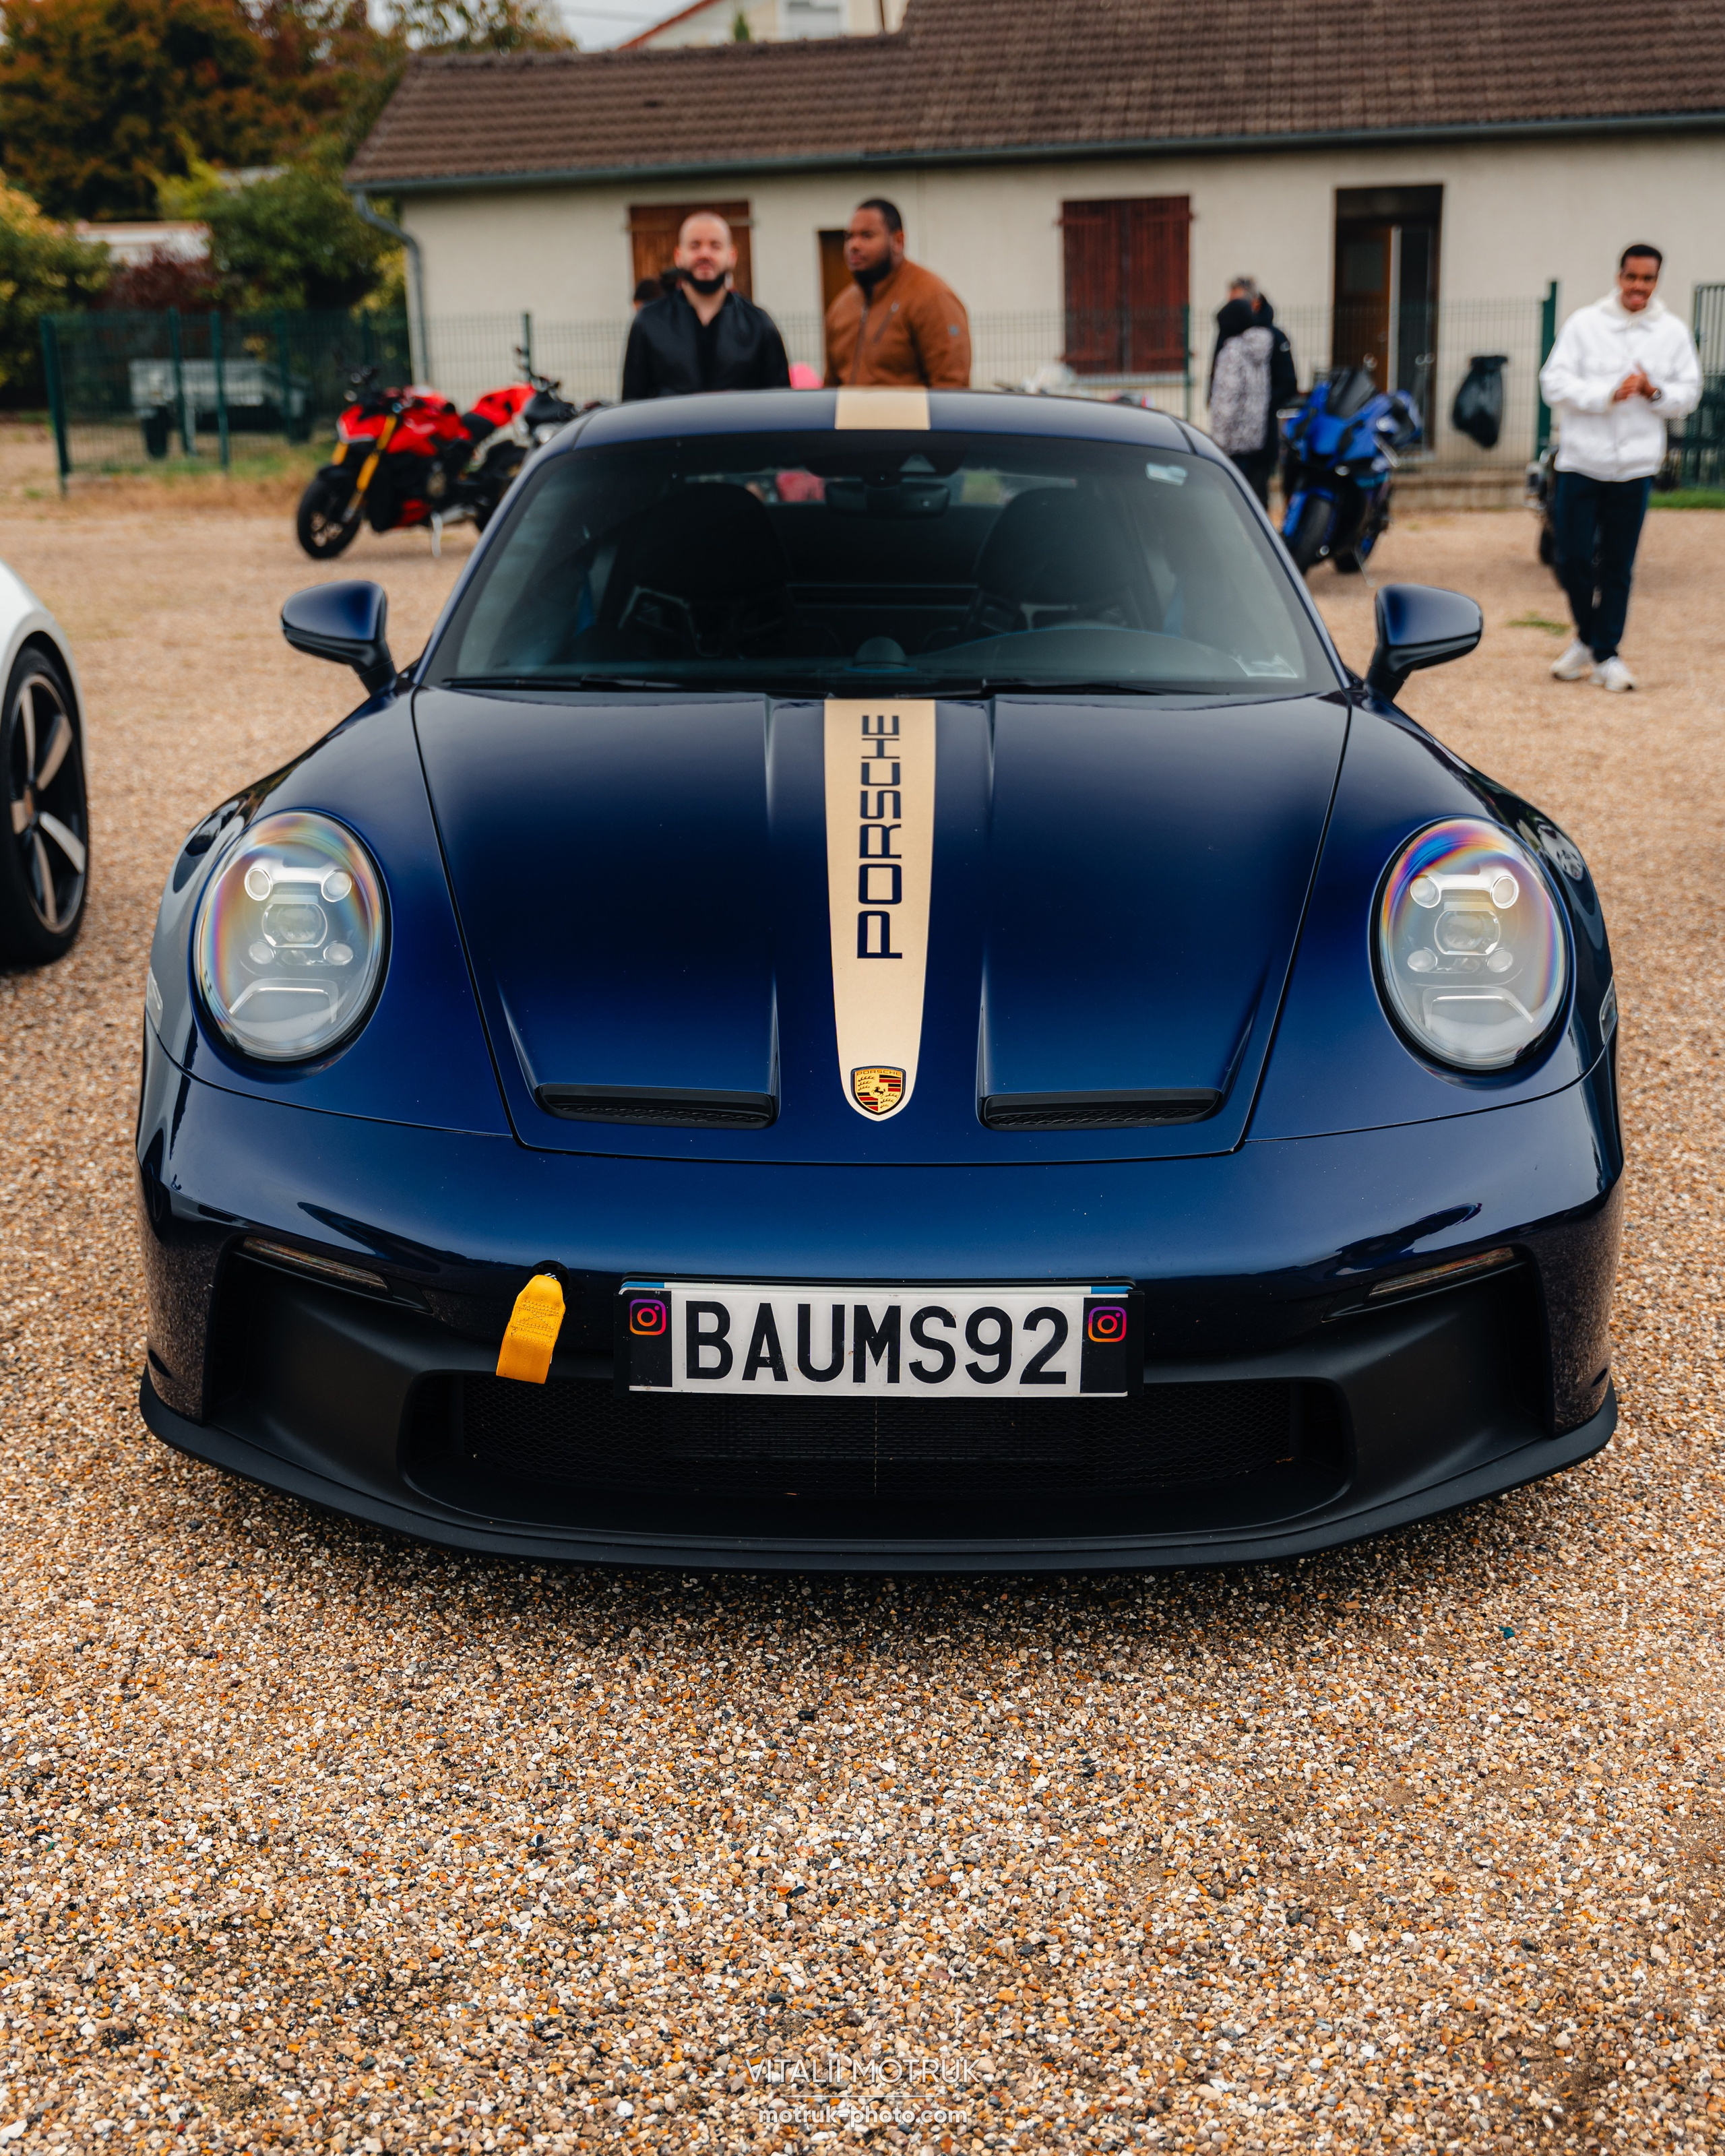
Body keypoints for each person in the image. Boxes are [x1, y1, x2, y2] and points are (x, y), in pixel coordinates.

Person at [1538, 243, 1701, 691]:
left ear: (1656, 282)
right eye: (1632, 278)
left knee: (1618, 565)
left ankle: (1605, 653)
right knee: (1570, 559)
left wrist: (1654, 392)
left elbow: (1688, 395)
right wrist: (1606, 393)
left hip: (1634, 468)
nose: (1639, 287)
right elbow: (1552, 383)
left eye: (1648, 280)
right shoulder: (1584, 324)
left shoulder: (1672, 332)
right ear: (1619, 277)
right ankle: (1590, 639)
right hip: (1581, 463)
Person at [621, 212, 791, 402]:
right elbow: (631, 404)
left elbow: (780, 405)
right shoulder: (649, 322)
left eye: (715, 246)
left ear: (732, 256)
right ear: (679, 256)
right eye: (695, 246)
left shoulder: (760, 324)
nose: (704, 254)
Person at [823, 199, 971, 390]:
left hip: (912, 421)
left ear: (898, 241)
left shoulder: (932, 297)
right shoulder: (841, 307)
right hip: (849, 421)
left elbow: (951, 387)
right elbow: (831, 388)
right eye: (849, 236)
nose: (854, 245)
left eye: (867, 236)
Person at [1208, 277, 1298, 506]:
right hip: (1249, 436)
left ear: (1254, 304)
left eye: (1236, 302)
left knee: (1250, 497)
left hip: (1255, 437)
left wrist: (1260, 407)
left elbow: (1287, 383)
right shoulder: (1233, 334)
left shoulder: (1272, 340)